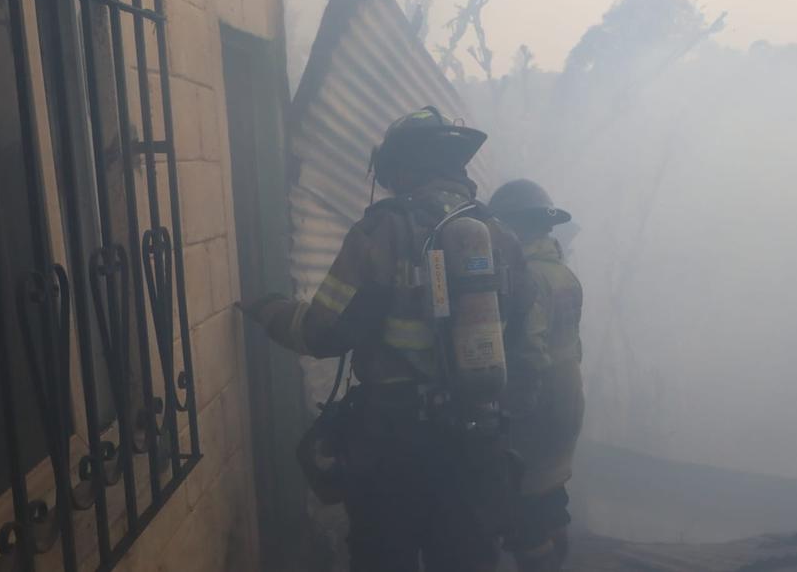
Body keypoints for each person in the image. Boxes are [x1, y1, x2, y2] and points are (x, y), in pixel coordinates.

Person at [240, 107, 534, 572]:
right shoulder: (502, 238)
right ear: (459, 169)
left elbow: (324, 331)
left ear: (399, 170)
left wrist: (268, 311)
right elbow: (518, 336)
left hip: (394, 446)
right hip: (476, 444)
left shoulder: (381, 231)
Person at [489, 179, 585, 572]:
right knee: (550, 498)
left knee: (523, 516)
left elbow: (528, 355)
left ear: (514, 227)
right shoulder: (564, 274)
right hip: (567, 403)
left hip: (536, 410)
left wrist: (509, 411)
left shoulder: (524, 277)